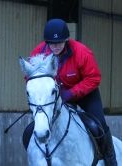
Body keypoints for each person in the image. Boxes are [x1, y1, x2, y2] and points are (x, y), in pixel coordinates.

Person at [29, 18, 117, 165]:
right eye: (51, 43)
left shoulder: (82, 52)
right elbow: (31, 77)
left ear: (67, 40)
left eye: (59, 42)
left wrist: (70, 93)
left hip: (85, 93)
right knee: (35, 127)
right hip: (55, 96)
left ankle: (110, 159)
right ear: (46, 42)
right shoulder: (38, 52)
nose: (55, 47)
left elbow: (94, 78)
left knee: (99, 124)